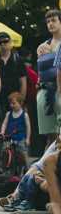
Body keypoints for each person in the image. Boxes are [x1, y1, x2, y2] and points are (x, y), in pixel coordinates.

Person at [38, 10, 61, 146]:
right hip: (45, 90)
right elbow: (41, 69)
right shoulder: (44, 44)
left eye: (53, 20)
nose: (50, 24)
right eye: (48, 21)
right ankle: (47, 166)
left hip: (59, 88)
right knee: (50, 134)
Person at [0, 31, 27, 113]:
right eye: (0, 42)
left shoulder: (18, 60)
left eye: (5, 41)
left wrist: (21, 101)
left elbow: (23, 82)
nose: (3, 44)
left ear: (10, 42)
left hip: (15, 100)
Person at [0, 92, 31, 169]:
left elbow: (28, 127)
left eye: (14, 103)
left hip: (20, 138)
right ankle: (2, 168)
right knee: (4, 151)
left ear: (20, 103)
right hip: (9, 137)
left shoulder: (25, 115)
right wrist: (2, 132)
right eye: (10, 103)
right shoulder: (8, 114)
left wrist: (28, 138)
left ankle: (28, 169)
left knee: (23, 153)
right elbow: (4, 123)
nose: (11, 105)